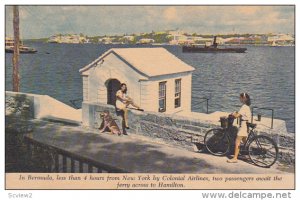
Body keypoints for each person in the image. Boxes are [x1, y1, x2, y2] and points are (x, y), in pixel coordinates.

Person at [227, 93, 252, 163]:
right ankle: (248, 154)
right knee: (244, 141)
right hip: (246, 125)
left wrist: (233, 114)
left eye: (240, 98)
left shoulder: (244, 107)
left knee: (237, 141)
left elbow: (237, 116)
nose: (239, 99)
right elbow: (241, 114)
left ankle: (235, 158)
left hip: (243, 126)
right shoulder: (247, 106)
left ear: (243, 99)